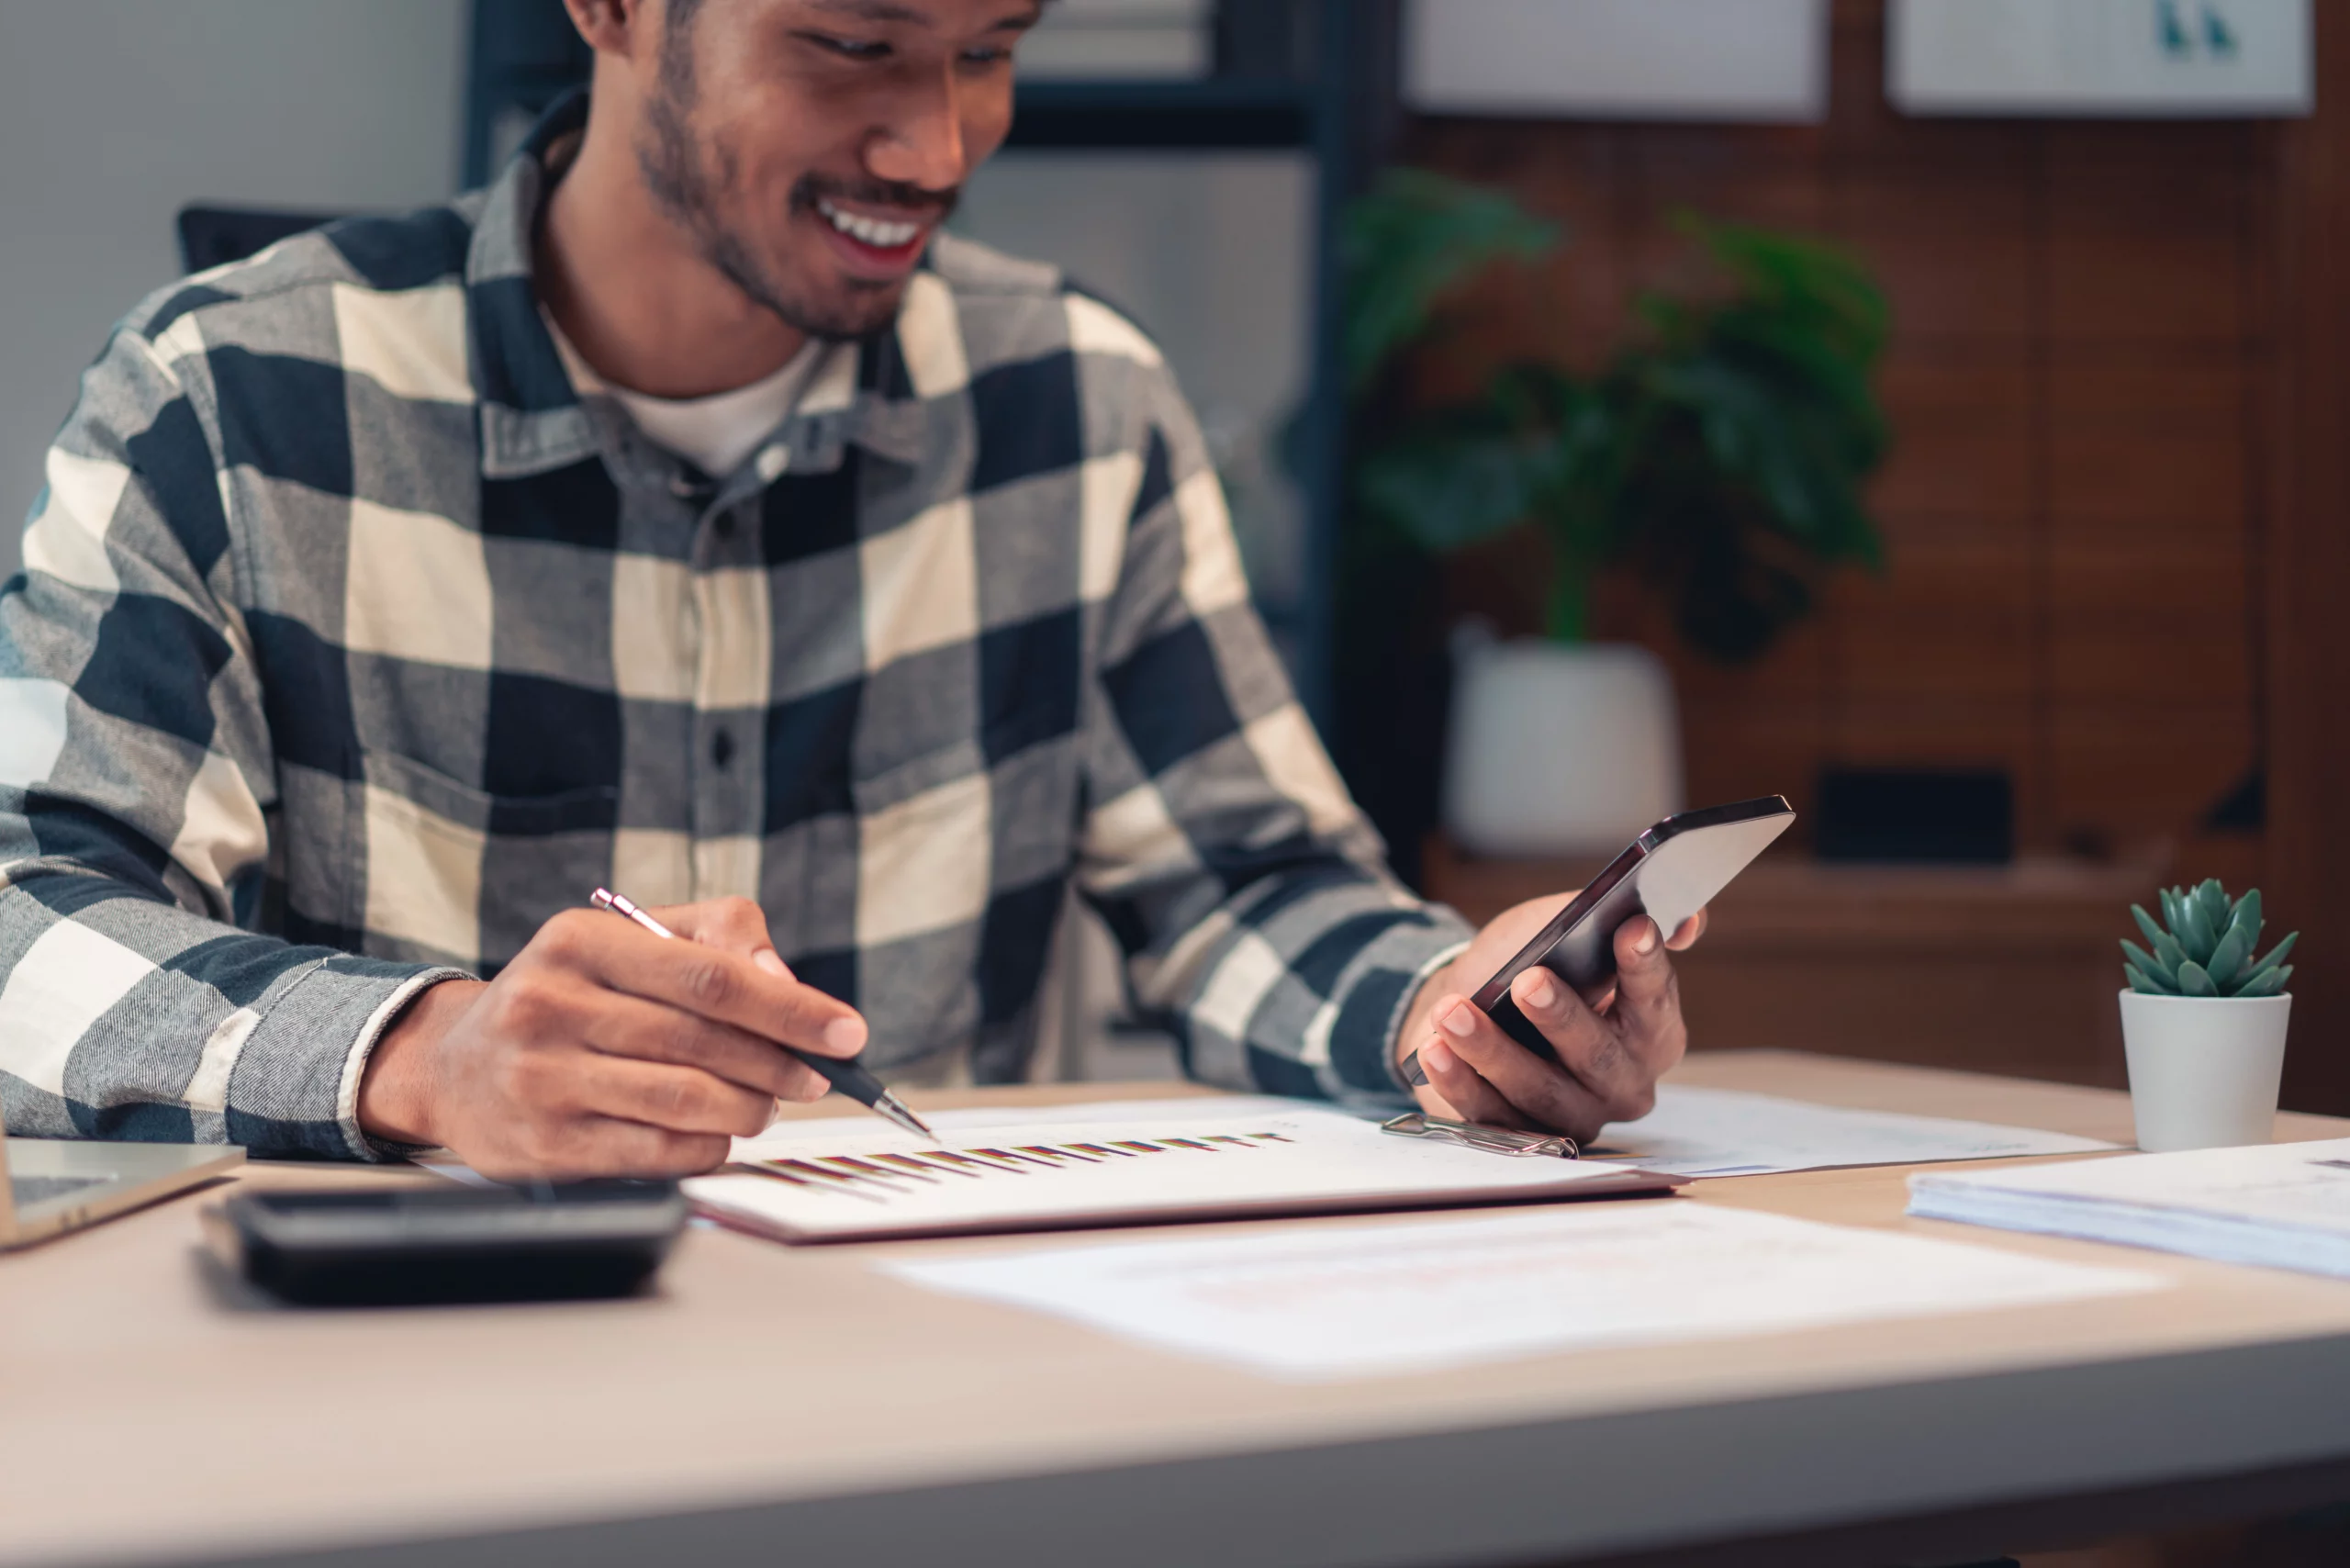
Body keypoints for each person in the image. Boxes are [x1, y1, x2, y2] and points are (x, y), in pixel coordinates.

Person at [0, 0, 1703, 1179]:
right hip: (424, 1402)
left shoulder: (1079, 403)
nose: (937, 146)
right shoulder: (228, 397)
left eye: (991, 52)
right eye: (851, 46)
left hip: (943, 1382)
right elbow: (24, 919)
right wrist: (427, 1055)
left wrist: (1459, 1016)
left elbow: (1247, 890)